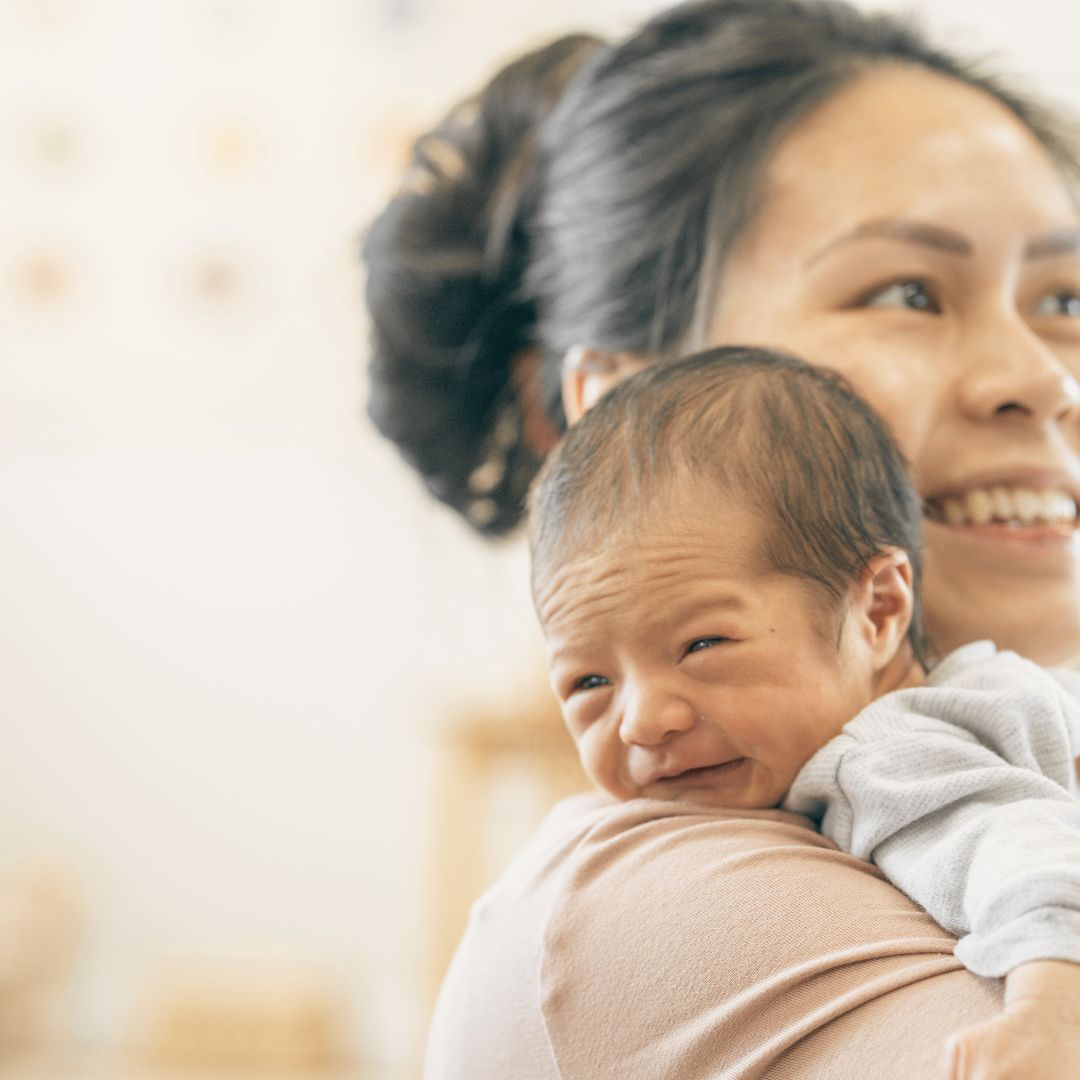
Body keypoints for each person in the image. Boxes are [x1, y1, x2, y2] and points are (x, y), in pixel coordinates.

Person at [362, 0, 1080, 1075]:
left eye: (1064, 295)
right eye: (907, 291)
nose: (1041, 377)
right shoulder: (663, 901)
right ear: (621, 406)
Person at [530, 343, 1080, 1022]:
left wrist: (1048, 1016)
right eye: (588, 681)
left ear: (877, 611)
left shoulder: (885, 762)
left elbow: (1034, 856)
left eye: (703, 644)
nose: (642, 721)